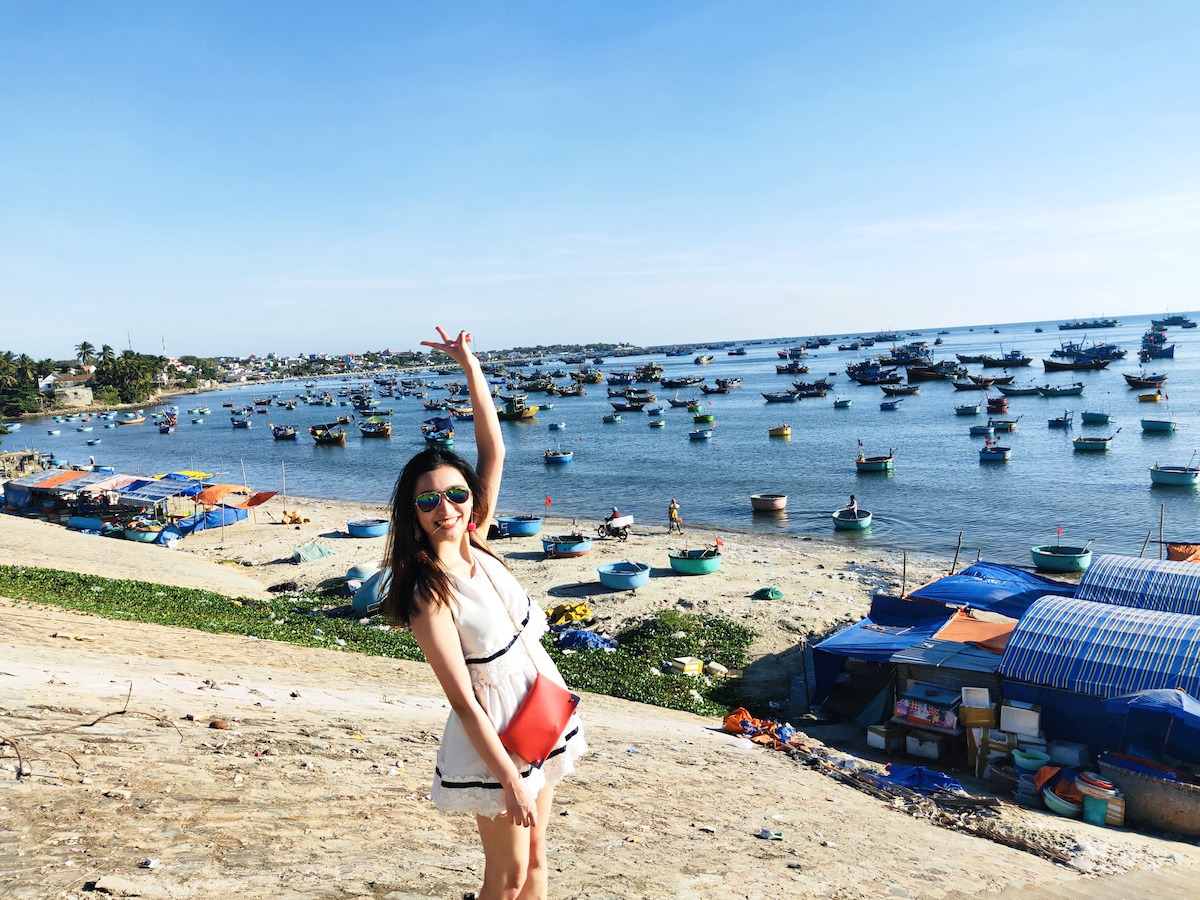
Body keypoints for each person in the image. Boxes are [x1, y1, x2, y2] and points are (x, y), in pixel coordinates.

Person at [383, 327, 586, 900]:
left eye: (454, 494)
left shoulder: (481, 537)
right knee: (507, 875)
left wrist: (469, 363)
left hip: (538, 714)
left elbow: (493, 448)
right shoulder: (428, 590)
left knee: (539, 863)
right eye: (427, 501)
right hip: (493, 735)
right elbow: (463, 701)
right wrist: (509, 780)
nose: (444, 508)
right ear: (413, 513)